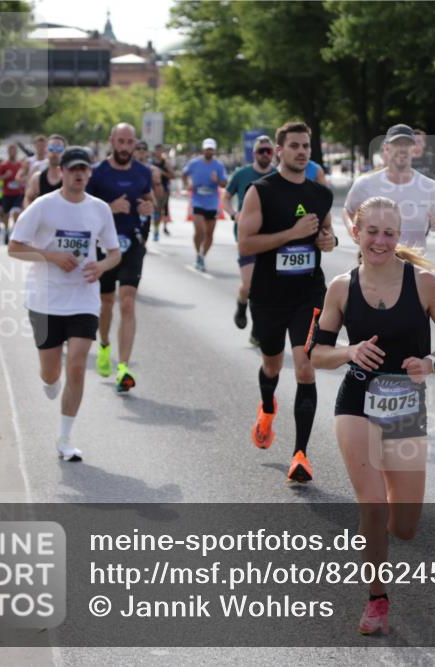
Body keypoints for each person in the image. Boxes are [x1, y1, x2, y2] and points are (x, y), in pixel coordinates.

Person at [311, 196, 435, 635]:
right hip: (356, 401)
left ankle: (380, 538)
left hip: (405, 406)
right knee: (373, 506)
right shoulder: (341, 286)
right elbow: (316, 354)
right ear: (356, 233)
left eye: (389, 232)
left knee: (406, 526)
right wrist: (349, 351)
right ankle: (377, 598)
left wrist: (431, 363)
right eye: (371, 231)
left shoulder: (424, 283)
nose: (379, 240)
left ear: (400, 237)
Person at [237, 121, 338, 483]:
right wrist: (291, 235)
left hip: (308, 294)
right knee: (272, 366)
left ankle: (300, 455)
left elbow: (327, 232)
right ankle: (267, 408)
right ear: (279, 150)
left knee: (305, 365)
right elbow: (246, 245)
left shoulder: (319, 192)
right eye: (294, 145)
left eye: (306, 146)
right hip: (267, 296)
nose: (301, 151)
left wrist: (330, 241)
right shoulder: (260, 192)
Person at [7, 146, 121, 461]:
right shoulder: (44, 207)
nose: (79, 174)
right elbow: (14, 248)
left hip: (83, 298)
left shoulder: (99, 209)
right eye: (74, 169)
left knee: (78, 365)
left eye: (84, 169)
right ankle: (49, 380)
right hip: (44, 298)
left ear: (90, 173)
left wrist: (101, 266)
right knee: (51, 371)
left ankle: (65, 438)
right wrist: (51, 256)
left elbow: (114, 252)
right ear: (63, 172)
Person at [86, 122, 155, 393]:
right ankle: (104, 345)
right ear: (112, 141)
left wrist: (150, 207)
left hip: (133, 244)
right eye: (121, 141)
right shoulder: (97, 173)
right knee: (106, 303)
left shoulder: (143, 172)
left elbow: (150, 201)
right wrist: (110, 209)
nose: (126, 147)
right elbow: (85, 209)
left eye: (130, 142)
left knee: (127, 302)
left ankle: (123, 368)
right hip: (105, 246)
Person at [344, 124, 435, 253]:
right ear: (387, 148)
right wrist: (354, 232)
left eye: (407, 145)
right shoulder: (365, 183)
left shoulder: (430, 187)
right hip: (374, 262)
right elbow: (348, 210)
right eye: (397, 144)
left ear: (414, 149)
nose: (402, 149)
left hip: (413, 265)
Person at [225, 134, 276, 340]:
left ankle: (257, 330)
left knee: (267, 287)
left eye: (268, 151)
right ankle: (241, 303)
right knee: (249, 285)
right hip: (247, 236)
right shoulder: (242, 174)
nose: (265, 154)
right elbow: (226, 197)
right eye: (261, 151)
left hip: (273, 237)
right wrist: (233, 214)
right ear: (254, 153)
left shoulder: (278, 174)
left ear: (273, 153)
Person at [183, 138, 228, 271]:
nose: (209, 151)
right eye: (207, 148)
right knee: (200, 231)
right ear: (203, 149)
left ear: (214, 150)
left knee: (209, 234)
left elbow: (224, 183)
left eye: (211, 149)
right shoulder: (194, 163)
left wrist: (217, 180)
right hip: (197, 200)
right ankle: (198, 253)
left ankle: (201, 257)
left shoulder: (219, 166)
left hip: (213, 203)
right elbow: (184, 174)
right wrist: (187, 185)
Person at [22, 135, 66, 208]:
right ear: (46, 150)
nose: (54, 152)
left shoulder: (70, 174)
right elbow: (28, 198)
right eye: (51, 148)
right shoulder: (37, 171)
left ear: (64, 151)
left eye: (58, 149)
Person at [0, 144, 26, 223]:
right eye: (11, 151)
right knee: (6, 213)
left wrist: (21, 180)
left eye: (14, 151)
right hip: (6, 193)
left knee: (16, 211)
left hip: (18, 193)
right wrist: (5, 176)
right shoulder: (3, 165)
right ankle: (6, 230)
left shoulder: (20, 165)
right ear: (8, 152)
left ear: (16, 152)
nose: (12, 153)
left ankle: (16, 229)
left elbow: (25, 177)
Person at [150, 144, 175, 240]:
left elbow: (172, 176)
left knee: (159, 210)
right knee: (153, 210)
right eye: (157, 150)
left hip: (163, 189)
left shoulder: (165, 163)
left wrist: (161, 172)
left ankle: (157, 230)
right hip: (151, 189)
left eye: (161, 150)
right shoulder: (150, 162)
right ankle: (153, 227)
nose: (159, 152)